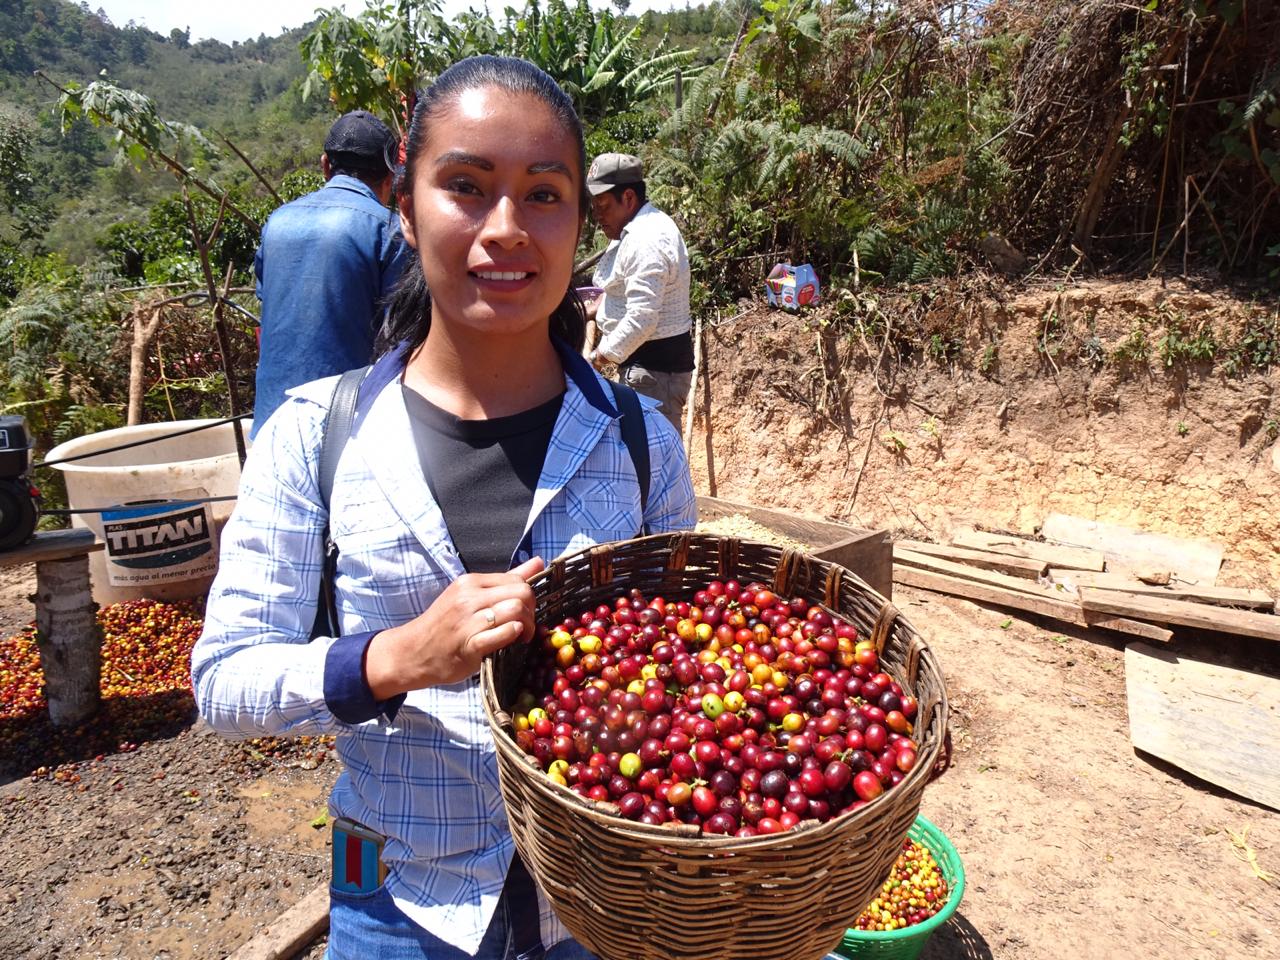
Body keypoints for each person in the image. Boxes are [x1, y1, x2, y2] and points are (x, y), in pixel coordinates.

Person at [192, 56, 697, 960]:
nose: (506, 229)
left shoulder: (639, 443)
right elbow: (225, 684)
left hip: (600, 904)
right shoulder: (317, 436)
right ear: (404, 204)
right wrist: (395, 658)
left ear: (581, 222)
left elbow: (690, 671)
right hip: (396, 899)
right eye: (465, 185)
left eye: (544, 194)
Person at [251, 109, 410, 438]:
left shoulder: (277, 222)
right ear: (391, 177)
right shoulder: (390, 231)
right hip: (344, 428)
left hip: (271, 423)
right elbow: (400, 336)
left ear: (325, 165)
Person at [584, 153, 694, 433]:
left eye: (603, 206)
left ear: (629, 198)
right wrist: (598, 307)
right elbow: (626, 288)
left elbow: (642, 319)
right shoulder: (632, 230)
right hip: (647, 371)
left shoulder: (647, 240)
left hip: (655, 374)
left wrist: (597, 358)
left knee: (655, 463)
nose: (598, 216)